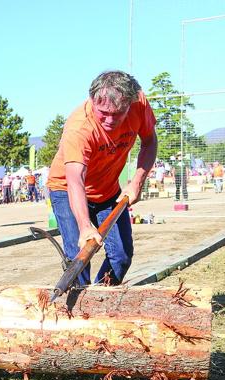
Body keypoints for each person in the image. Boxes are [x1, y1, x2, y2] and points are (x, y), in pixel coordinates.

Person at [46, 70, 157, 286]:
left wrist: (136, 182)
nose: (109, 120)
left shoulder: (139, 104)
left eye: (118, 113)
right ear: (92, 100)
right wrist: (85, 225)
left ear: (130, 103)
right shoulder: (79, 128)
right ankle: (79, 310)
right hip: (67, 189)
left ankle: (98, 301)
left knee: (122, 256)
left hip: (108, 190)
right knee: (79, 258)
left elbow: (150, 141)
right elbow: (75, 179)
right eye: (103, 112)